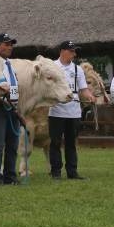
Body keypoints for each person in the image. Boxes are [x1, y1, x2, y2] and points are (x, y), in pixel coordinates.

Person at [47, 41, 94, 180]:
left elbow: (83, 89)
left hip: (74, 111)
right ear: (63, 51)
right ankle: (55, 172)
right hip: (56, 111)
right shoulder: (52, 66)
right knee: (55, 142)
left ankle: (72, 172)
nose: (74, 54)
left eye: (75, 51)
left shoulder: (77, 69)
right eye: (72, 51)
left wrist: (90, 96)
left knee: (71, 143)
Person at [0, 32, 21, 185]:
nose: (10, 47)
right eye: (6, 44)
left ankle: (10, 177)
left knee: (13, 144)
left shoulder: (9, 64)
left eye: (11, 44)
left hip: (13, 107)